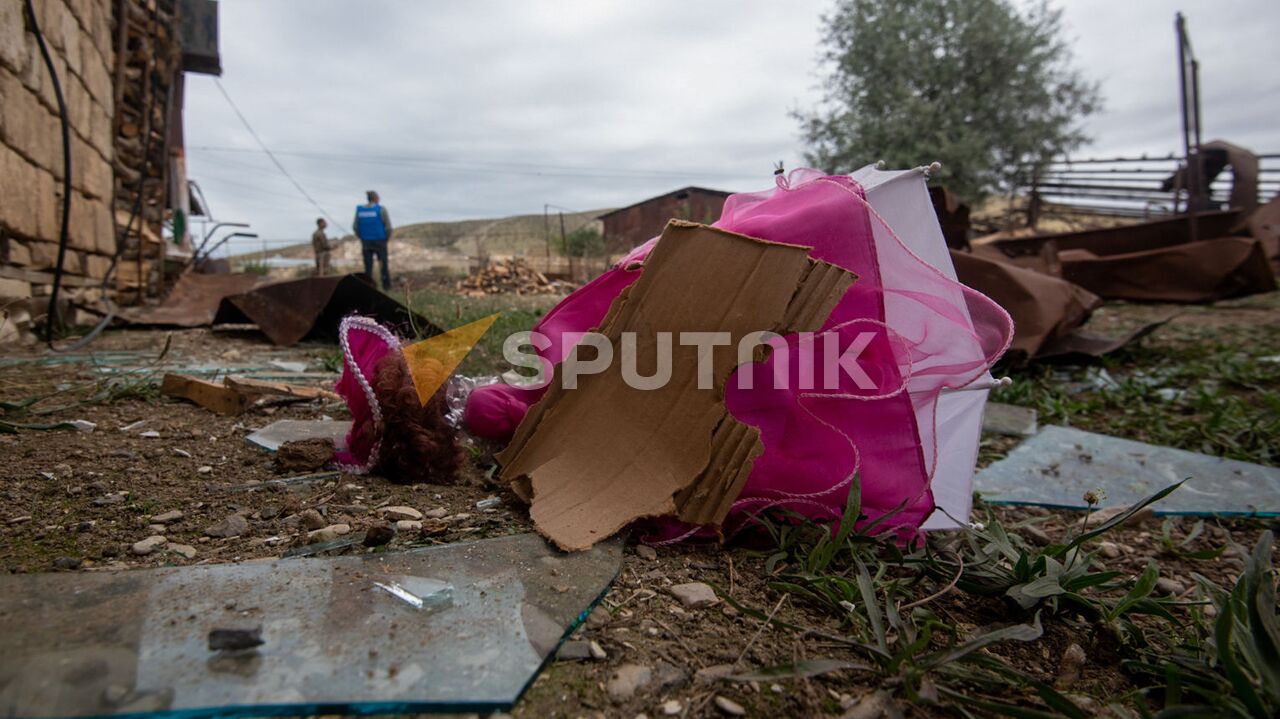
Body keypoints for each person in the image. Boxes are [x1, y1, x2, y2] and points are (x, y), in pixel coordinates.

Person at [353, 190, 393, 289]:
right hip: (380, 241)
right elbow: (388, 227)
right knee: (383, 265)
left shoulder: (360, 210)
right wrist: (386, 238)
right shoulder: (381, 209)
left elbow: (355, 227)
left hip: (366, 242)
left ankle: (368, 287)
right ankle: (386, 287)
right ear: (375, 198)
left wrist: (362, 237)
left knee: (368, 267)